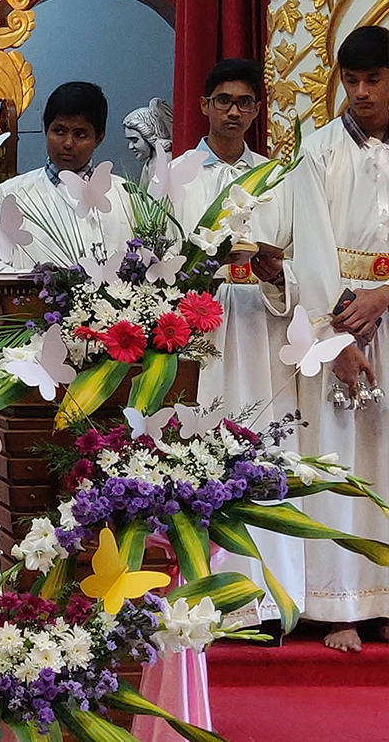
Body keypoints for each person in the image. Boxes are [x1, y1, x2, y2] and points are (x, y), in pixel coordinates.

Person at [169, 59, 301, 625]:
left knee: (263, 446)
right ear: (204, 105)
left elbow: (298, 259)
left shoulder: (277, 177)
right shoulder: (174, 174)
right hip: (200, 329)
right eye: (222, 100)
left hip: (260, 328)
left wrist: (276, 273)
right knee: (200, 446)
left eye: (245, 102)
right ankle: (203, 599)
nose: (233, 111)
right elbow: (154, 257)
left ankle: (268, 599)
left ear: (256, 110)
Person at [278, 26, 389, 651]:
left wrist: (384, 295)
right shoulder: (318, 151)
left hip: (385, 305)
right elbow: (313, 251)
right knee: (335, 457)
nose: (361, 92)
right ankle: (337, 605)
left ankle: (386, 599)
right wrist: (336, 340)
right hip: (338, 318)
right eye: (351, 81)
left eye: (373, 79)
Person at [0, 81, 133, 270]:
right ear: (46, 130)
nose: (68, 143)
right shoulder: (13, 194)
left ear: (99, 137)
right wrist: (38, 281)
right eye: (59, 131)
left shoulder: (125, 195)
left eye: (80, 134)